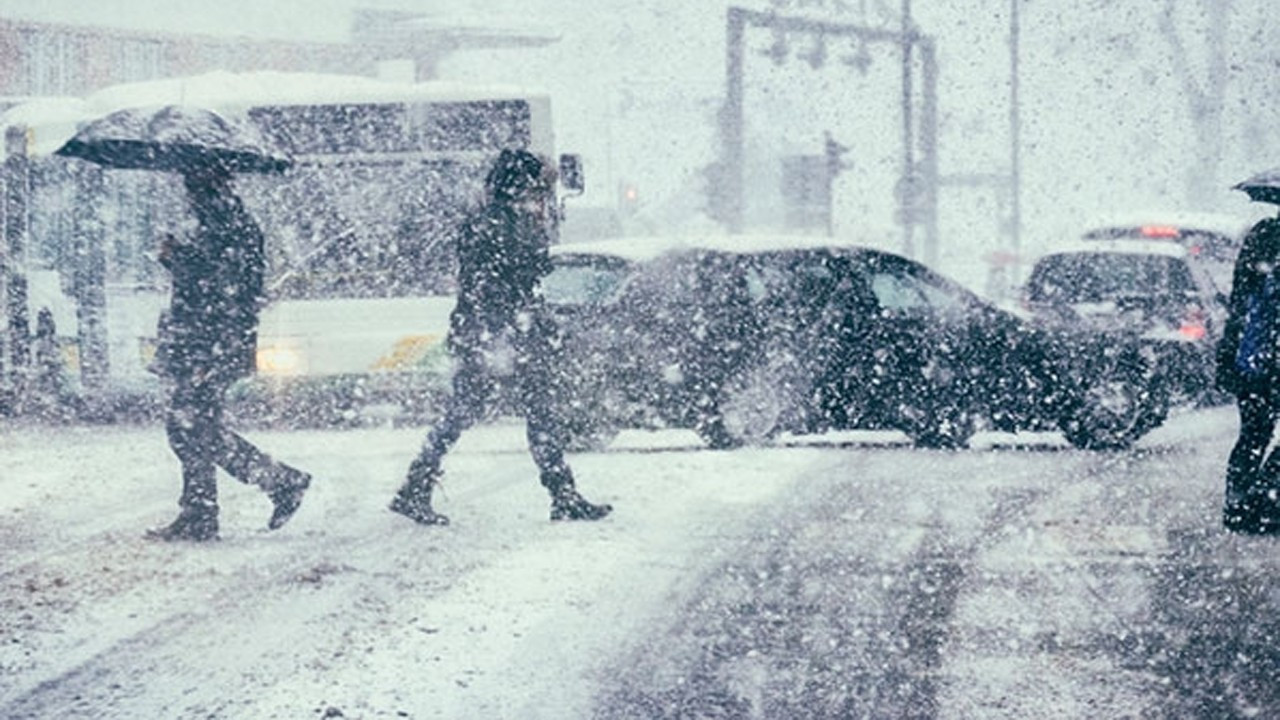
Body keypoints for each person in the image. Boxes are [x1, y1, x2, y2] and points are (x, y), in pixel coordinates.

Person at [390, 149, 612, 526]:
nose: (542, 195)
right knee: (489, 412)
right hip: (497, 335)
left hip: (497, 333)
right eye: (537, 187)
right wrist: (505, 331)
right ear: (519, 185)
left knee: (499, 411)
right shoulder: (496, 224)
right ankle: (561, 495)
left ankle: (561, 494)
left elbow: (513, 277)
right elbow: (500, 282)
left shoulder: (499, 220)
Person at [147, 163, 312, 542]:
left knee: (190, 425)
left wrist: (177, 257)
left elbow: (220, 286)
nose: (187, 193)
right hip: (208, 341)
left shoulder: (227, 224)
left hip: (210, 343)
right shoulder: (221, 222)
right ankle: (206, 510)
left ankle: (272, 485)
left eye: (191, 184)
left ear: (206, 185)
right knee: (193, 426)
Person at [1215, 209, 1280, 534]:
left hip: (1251, 357)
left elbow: (1241, 301)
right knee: (1256, 432)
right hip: (1266, 357)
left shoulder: (1261, 237)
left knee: (1253, 433)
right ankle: (1262, 501)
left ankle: (1241, 503)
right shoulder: (1269, 243)